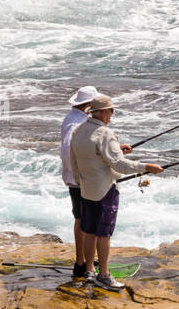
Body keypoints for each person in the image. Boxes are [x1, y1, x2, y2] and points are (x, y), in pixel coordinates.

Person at [68, 94, 163, 288]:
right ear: (102, 113)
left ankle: (89, 271)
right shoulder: (105, 134)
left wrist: (82, 182)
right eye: (111, 111)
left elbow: (74, 161)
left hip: (86, 189)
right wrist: (147, 167)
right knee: (103, 234)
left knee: (89, 231)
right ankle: (103, 274)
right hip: (105, 191)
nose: (112, 114)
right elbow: (119, 164)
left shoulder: (78, 131)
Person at [61, 85, 101, 280]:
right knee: (84, 220)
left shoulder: (75, 118)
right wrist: (80, 176)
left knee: (83, 218)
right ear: (89, 105)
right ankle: (82, 263)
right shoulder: (76, 124)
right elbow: (69, 150)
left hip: (77, 178)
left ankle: (85, 260)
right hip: (80, 180)